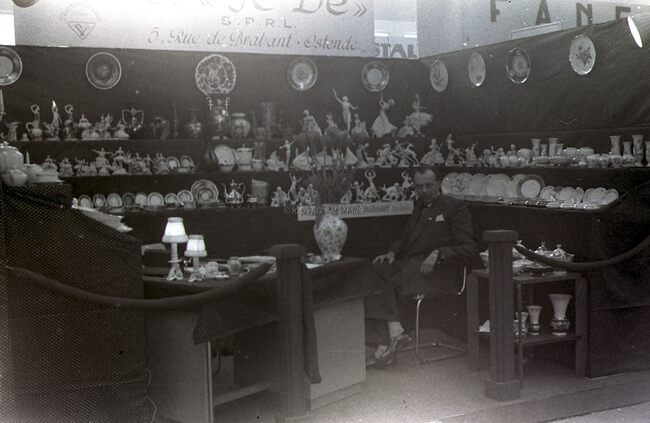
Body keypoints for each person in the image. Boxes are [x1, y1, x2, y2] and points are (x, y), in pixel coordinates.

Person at [365, 166, 478, 368]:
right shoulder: (419, 205)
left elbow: (469, 247)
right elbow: (405, 238)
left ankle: (385, 344)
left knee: (381, 282)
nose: (424, 190)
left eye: (428, 185)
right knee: (373, 271)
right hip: (412, 268)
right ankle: (394, 331)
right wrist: (391, 253)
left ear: (439, 183)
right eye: (419, 187)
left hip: (438, 272)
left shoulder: (454, 207)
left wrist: (438, 253)